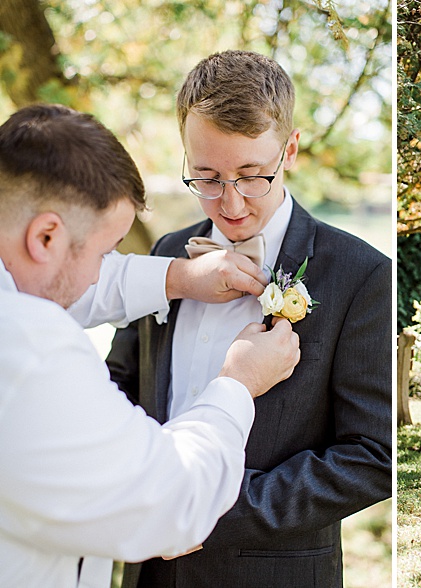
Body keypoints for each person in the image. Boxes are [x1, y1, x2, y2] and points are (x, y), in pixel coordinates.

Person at [107, 51, 392, 586]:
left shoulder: (362, 275)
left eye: (252, 175)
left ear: (290, 150)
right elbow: (118, 388)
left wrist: (207, 508)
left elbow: (374, 455)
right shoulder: (165, 257)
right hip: (147, 572)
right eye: (207, 177)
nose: (231, 204)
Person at [0, 104, 299, 587]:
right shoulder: (31, 346)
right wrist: (237, 384)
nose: (106, 270)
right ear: (46, 235)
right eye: (105, 252)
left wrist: (177, 276)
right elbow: (168, 502)